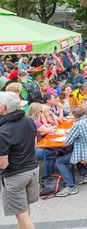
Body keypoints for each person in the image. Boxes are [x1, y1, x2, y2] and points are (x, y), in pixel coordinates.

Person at [0, 92, 38, 228]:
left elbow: (3, 164)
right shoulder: (28, 120)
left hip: (15, 175)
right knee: (25, 212)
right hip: (32, 170)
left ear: (3, 108)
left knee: (21, 214)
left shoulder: (3, 131)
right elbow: (34, 145)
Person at [55, 105, 87, 197]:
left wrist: (69, 134)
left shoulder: (78, 124)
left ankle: (71, 186)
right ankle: (84, 175)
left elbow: (67, 142)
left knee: (59, 161)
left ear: (74, 116)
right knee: (74, 151)